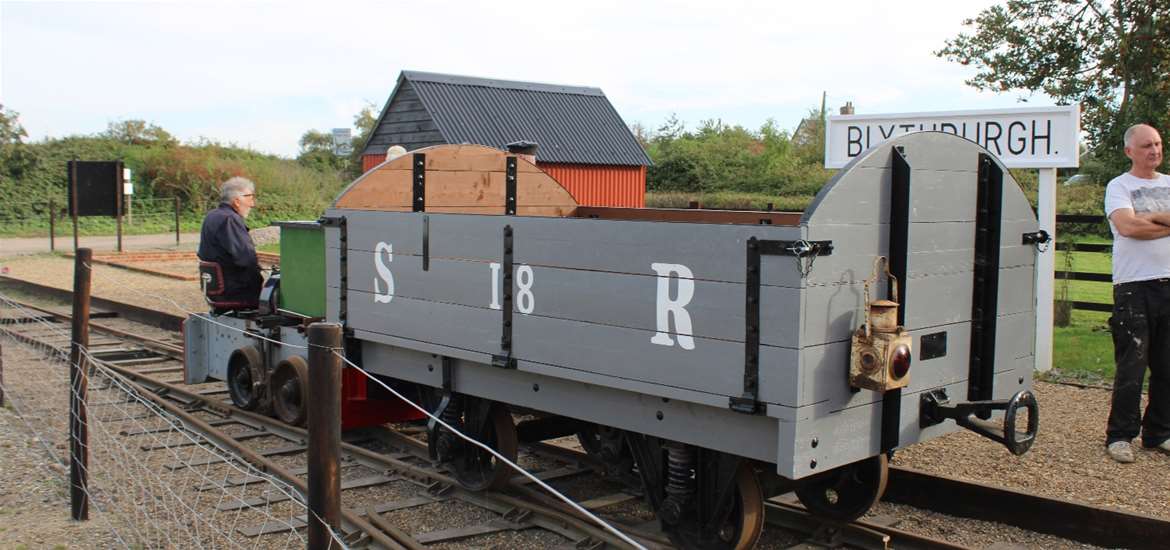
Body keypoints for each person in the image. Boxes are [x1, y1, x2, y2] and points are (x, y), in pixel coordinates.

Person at [1103, 123, 1170, 463]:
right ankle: (1120, 435)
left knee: (1167, 365)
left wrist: (1149, 221)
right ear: (1130, 151)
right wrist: (1165, 220)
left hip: (1168, 283)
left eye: (1157, 144)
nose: (1154, 150)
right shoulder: (1120, 186)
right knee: (1133, 363)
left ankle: (1159, 432)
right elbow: (1127, 227)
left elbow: (1139, 226)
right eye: (1146, 145)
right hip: (1134, 287)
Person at [198, 177, 262, 309]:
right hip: (235, 292)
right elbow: (246, 259)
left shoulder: (212, 215)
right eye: (250, 198)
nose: (252, 204)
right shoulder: (230, 219)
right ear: (237, 201)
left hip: (215, 289)